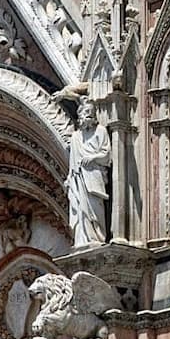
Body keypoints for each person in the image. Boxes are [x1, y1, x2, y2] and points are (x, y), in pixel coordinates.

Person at [66, 99, 112, 246]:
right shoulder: (75, 137)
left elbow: (106, 156)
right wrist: (69, 180)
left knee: (95, 209)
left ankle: (96, 237)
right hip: (78, 178)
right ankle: (82, 239)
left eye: (91, 113)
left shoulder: (101, 131)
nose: (88, 116)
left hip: (94, 176)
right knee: (80, 208)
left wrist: (93, 157)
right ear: (80, 116)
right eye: (86, 113)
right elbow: (73, 163)